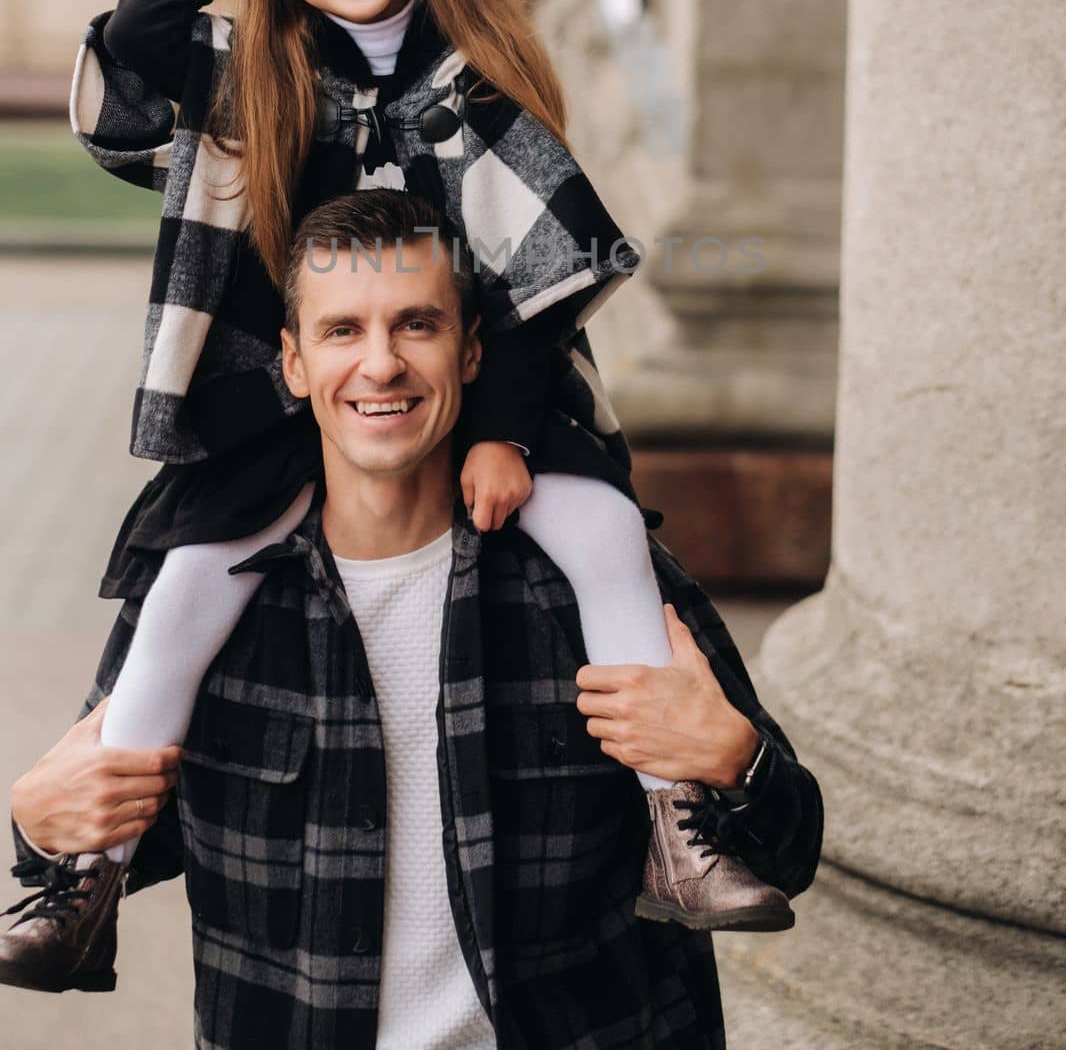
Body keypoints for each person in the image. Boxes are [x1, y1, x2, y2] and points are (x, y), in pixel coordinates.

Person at [1, 0, 787, 994]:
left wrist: (508, 438)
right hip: (280, 410)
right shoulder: (251, 76)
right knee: (185, 591)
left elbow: (538, 279)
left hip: (488, 395)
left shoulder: (474, 83)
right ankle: (82, 877)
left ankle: (680, 820)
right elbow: (130, 58)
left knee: (605, 530)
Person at [5, 192, 823, 1047]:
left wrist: (737, 759)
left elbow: (788, 853)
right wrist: (34, 821)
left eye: (417, 325)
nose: (382, 365)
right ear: (293, 363)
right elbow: (114, 828)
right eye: (343, 331)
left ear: (471, 352)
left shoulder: (590, 587)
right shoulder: (215, 596)